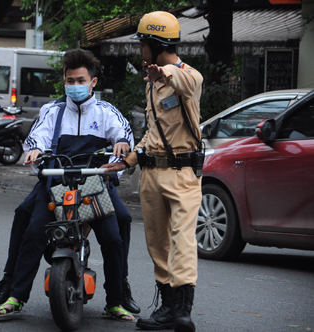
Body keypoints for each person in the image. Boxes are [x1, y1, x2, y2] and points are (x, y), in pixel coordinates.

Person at [0, 49, 135, 321]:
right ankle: (14, 295)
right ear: (64, 81)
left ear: (93, 82)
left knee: (116, 232)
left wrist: (121, 144)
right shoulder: (52, 111)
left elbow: (124, 136)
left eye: (81, 80)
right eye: (70, 80)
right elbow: (36, 140)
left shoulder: (107, 112)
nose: (75, 86)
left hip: (95, 186)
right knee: (32, 230)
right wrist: (33, 152)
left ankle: (117, 298)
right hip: (57, 184)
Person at [102, 11, 203, 332]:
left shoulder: (185, 76)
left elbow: (190, 81)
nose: (140, 49)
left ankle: (184, 309)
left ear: (155, 44)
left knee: (183, 239)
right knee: (157, 242)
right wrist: (126, 161)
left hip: (183, 174)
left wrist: (167, 72)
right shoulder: (152, 84)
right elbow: (151, 135)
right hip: (151, 174)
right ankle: (168, 308)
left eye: (143, 43)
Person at [0, 177, 140, 314]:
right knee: (28, 224)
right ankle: (13, 290)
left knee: (120, 226)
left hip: (95, 184)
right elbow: (38, 145)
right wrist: (36, 151)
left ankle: (119, 291)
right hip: (56, 182)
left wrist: (116, 158)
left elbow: (121, 150)